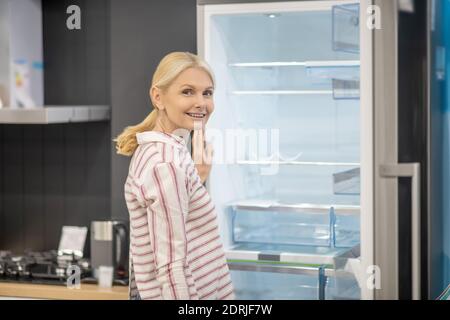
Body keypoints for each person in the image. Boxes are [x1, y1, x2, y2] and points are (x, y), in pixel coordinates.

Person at [114, 51, 235, 300]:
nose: (201, 102)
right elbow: (171, 264)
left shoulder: (168, 151)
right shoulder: (166, 163)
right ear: (158, 97)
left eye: (207, 92)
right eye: (187, 91)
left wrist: (198, 176)